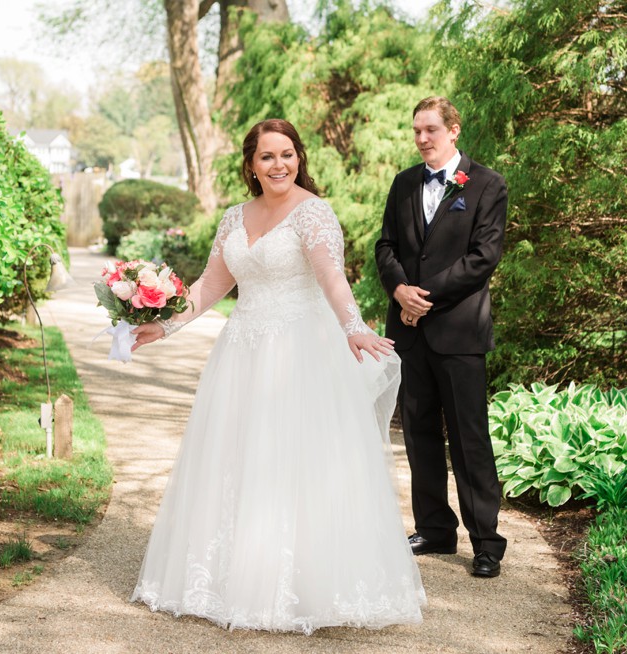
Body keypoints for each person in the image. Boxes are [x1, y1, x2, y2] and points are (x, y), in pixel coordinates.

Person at [128, 119, 426, 634]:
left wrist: (353, 328)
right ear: (251, 165)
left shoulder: (313, 212)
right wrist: (165, 326)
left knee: (296, 464)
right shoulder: (232, 218)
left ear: (298, 157)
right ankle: (232, 581)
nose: (279, 164)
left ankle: (305, 587)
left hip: (299, 351)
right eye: (267, 156)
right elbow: (210, 285)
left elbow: (332, 276)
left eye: (287, 154)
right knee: (238, 459)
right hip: (243, 352)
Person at [374, 97, 509, 579]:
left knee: (470, 438)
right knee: (419, 433)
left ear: (454, 130)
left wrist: (420, 296)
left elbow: (483, 257)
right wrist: (398, 289)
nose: (422, 138)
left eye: (431, 129)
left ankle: (487, 541)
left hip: (458, 332)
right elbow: (385, 245)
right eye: (416, 131)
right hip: (409, 336)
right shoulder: (405, 183)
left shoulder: (487, 184)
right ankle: (434, 528)